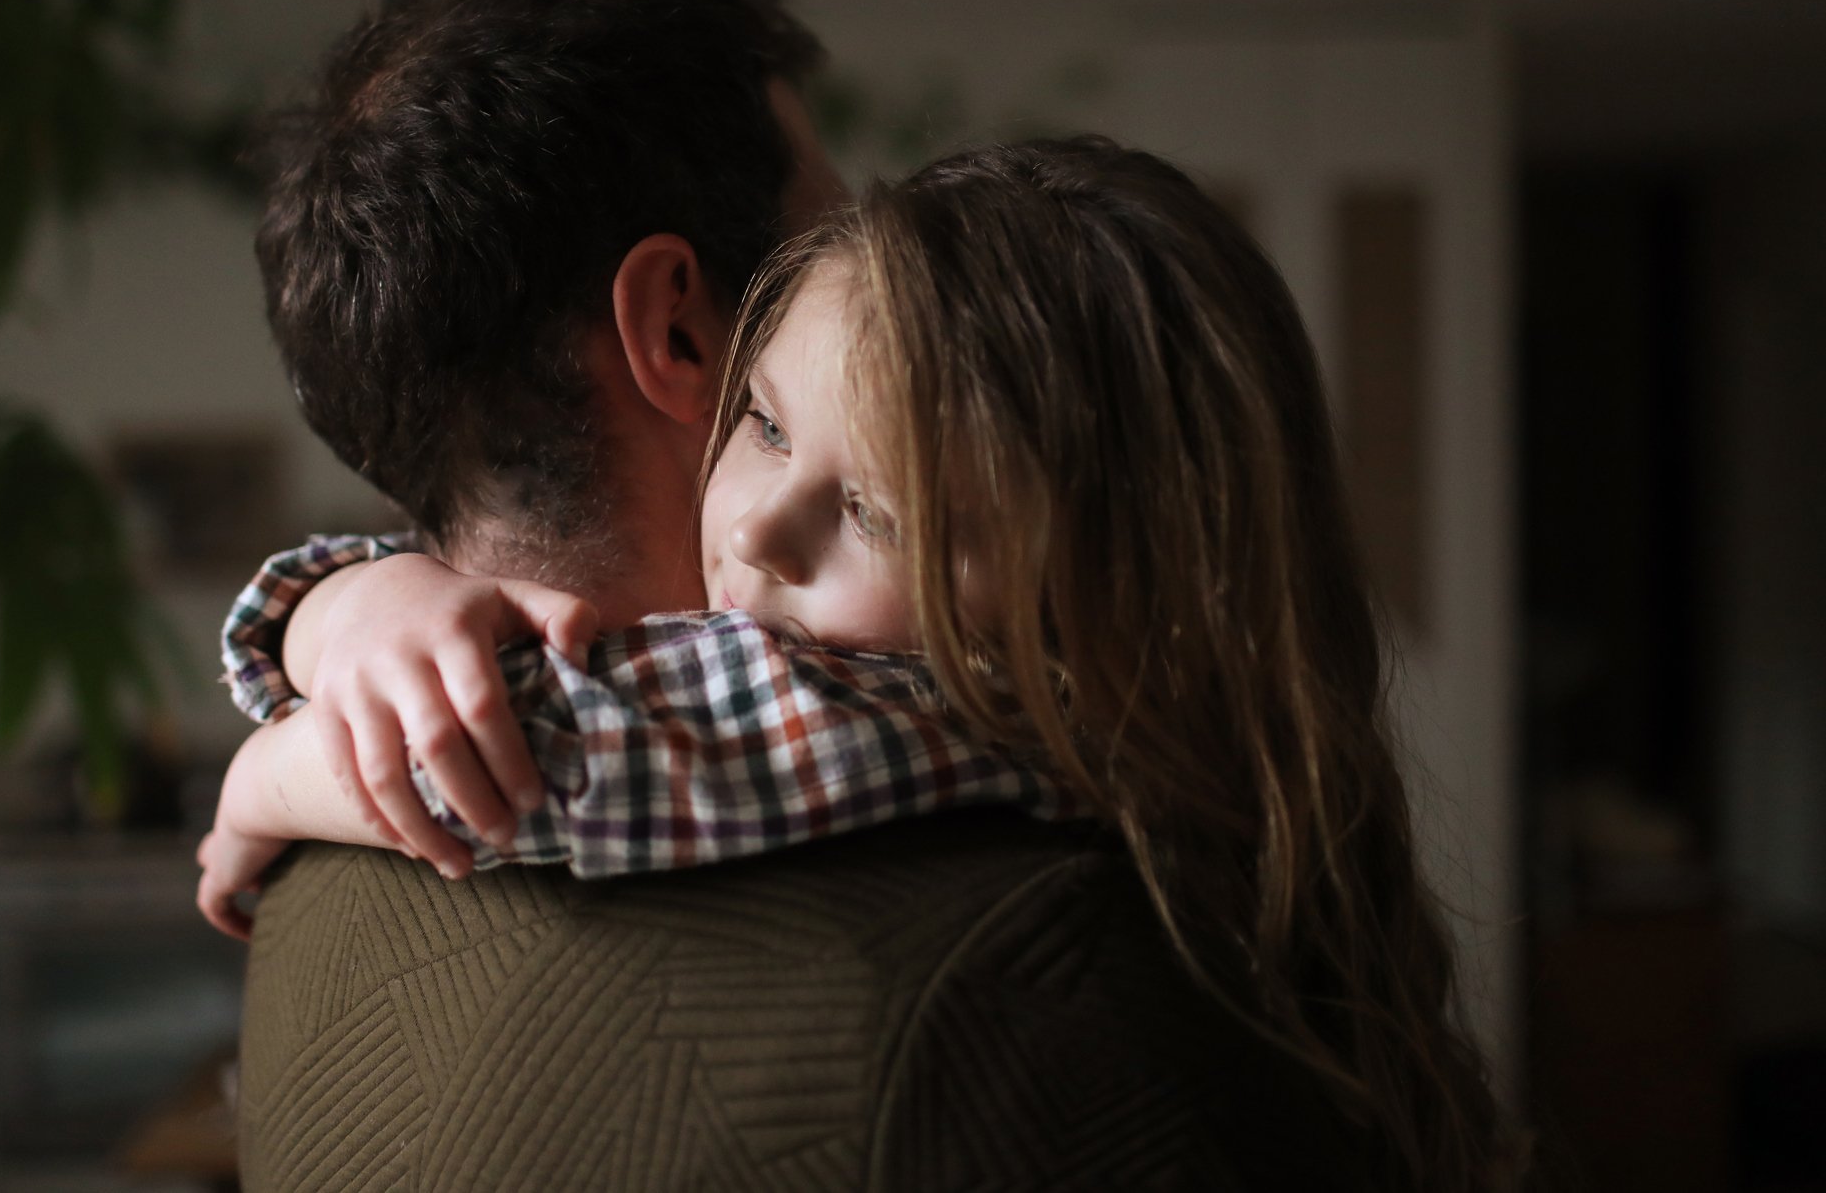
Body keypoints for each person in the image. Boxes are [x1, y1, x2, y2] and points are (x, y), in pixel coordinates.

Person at [205, 136, 1517, 1189]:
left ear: (1124, 584)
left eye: (886, 514)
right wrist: (354, 599)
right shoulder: (1143, 754)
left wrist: (273, 762)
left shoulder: (914, 712)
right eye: (764, 422)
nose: (759, 529)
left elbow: (514, 754)